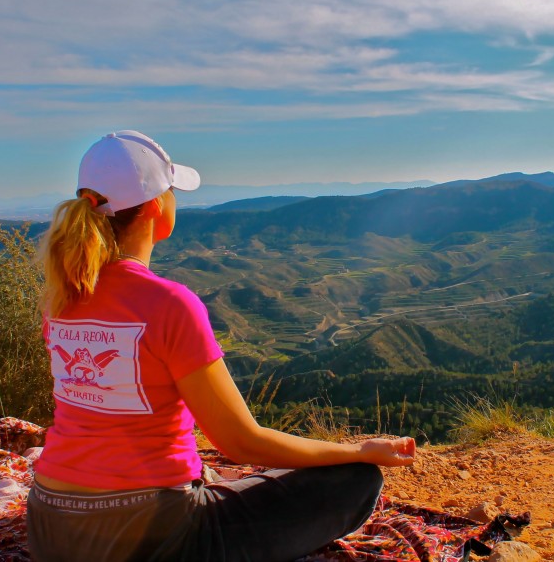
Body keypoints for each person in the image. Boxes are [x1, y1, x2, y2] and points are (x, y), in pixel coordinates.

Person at [27, 130, 416, 562]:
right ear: (158, 206)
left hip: (49, 527)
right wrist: (358, 451)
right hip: (152, 537)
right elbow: (241, 442)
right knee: (356, 481)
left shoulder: (61, 297)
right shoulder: (170, 304)